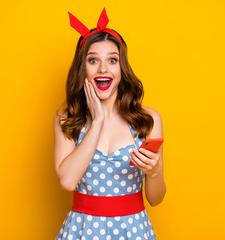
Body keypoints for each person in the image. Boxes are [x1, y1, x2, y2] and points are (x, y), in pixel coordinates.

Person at [54, 8, 166, 240]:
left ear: (121, 69)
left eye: (112, 60)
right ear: (82, 68)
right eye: (93, 60)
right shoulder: (66, 118)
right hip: (83, 231)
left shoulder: (148, 120)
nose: (103, 69)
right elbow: (67, 180)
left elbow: (155, 199)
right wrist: (97, 122)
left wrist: (154, 172)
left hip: (133, 230)